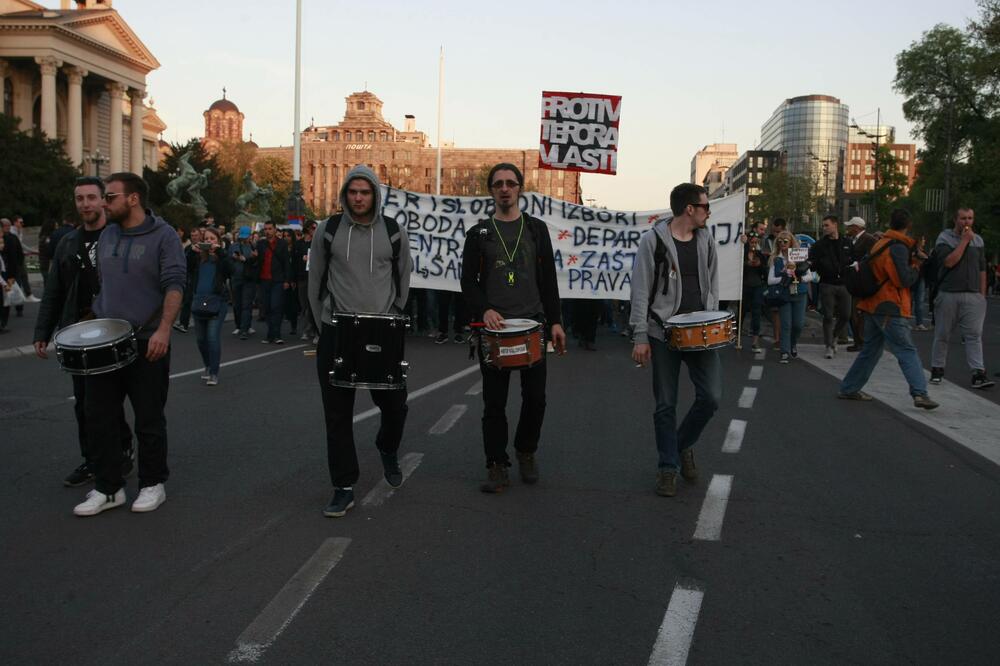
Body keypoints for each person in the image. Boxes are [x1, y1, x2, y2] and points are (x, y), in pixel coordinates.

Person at [72, 172, 186, 517]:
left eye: (110, 197)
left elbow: (174, 284)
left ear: (133, 199)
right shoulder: (108, 234)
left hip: (147, 340)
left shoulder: (164, 236)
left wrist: (163, 330)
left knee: (148, 417)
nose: (104, 204)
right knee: (99, 416)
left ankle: (153, 483)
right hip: (105, 341)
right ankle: (108, 488)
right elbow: (105, 284)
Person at [309, 165, 413, 518]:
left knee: (395, 406)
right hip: (338, 330)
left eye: (364, 192)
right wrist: (325, 327)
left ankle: (387, 447)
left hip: (381, 331)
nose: (358, 198)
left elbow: (403, 278)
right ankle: (343, 487)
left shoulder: (394, 232)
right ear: (345, 194)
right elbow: (315, 281)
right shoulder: (328, 230)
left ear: (374, 195)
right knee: (337, 414)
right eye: (352, 192)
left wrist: (393, 318)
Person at [461, 163, 566, 493]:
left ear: (520, 188)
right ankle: (496, 463)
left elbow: (548, 279)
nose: (505, 189)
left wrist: (556, 321)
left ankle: (526, 450)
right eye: (498, 184)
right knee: (494, 403)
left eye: (510, 183)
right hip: (495, 331)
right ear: (491, 190)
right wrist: (485, 309)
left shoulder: (536, 229)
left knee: (536, 399)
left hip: (532, 326)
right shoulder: (479, 233)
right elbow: (468, 282)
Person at [33, 176, 135, 486]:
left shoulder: (120, 236)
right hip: (78, 335)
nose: (85, 204)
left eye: (91, 197)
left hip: (115, 330)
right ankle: (91, 460)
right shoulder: (67, 242)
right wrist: (42, 332)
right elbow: (54, 290)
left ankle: (121, 449)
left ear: (103, 200)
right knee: (84, 403)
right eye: (80, 199)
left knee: (109, 400)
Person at [630, 183, 721, 498]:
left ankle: (681, 446)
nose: (709, 212)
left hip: (701, 332)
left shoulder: (706, 239)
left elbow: (713, 284)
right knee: (665, 404)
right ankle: (667, 467)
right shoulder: (653, 241)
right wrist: (640, 335)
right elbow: (640, 289)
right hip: (663, 333)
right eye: (705, 206)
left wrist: (713, 317)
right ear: (689, 209)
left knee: (711, 397)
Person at [838, 209, 939, 409]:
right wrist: (916, 265)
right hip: (890, 305)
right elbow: (902, 280)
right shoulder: (898, 247)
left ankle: (849, 388)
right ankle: (920, 393)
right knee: (906, 349)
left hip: (873, 303)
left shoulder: (881, 243)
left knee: (871, 350)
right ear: (908, 225)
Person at [929, 207, 994, 389]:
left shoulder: (978, 240)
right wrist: (964, 241)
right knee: (943, 333)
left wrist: (982, 295)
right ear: (955, 220)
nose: (967, 222)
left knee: (974, 335)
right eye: (963, 218)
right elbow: (949, 262)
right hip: (949, 293)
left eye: (970, 218)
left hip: (973, 295)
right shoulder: (944, 238)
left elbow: (982, 268)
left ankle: (978, 373)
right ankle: (937, 369)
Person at [768, 231, 817, 363]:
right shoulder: (776, 259)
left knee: (798, 325)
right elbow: (770, 280)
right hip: (784, 295)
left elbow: (810, 276)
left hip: (800, 293)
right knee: (786, 324)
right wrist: (786, 276)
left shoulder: (799, 256)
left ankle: (792, 343)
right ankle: (784, 351)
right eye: (780, 241)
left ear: (791, 242)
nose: (782, 243)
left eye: (785, 241)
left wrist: (800, 278)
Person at [809, 215, 853, 358]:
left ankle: (834, 336)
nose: (824, 228)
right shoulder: (819, 245)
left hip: (845, 284)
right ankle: (829, 345)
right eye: (823, 225)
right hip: (827, 283)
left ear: (835, 225)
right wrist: (814, 264)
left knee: (846, 315)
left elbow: (853, 259)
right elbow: (812, 263)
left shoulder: (847, 242)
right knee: (828, 316)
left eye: (827, 225)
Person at [191, 227, 230, 386]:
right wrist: (192, 251)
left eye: (212, 239)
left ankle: (214, 372)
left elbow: (231, 270)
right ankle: (207, 366)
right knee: (201, 340)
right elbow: (185, 266)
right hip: (199, 300)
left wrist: (219, 252)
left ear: (218, 241)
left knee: (212, 338)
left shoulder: (222, 259)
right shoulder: (198, 258)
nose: (209, 242)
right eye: (206, 239)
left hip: (217, 302)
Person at [844, 217, 876, 351]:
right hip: (854, 280)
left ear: (856, 227)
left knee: (858, 313)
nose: (848, 228)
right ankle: (858, 341)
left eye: (850, 226)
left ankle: (861, 342)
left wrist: (858, 264)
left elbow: (872, 258)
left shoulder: (869, 240)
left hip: (863, 282)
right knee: (854, 314)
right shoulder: (853, 240)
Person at [257, 220, 291, 344]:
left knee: (276, 306)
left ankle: (276, 334)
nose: (267, 231)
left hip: (278, 280)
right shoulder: (261, 244)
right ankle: (270, 333)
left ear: (275, 230)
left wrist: (287, 280)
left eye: (270, 229)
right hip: (264, 280)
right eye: (265, 229)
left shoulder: (282, 244)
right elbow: (258, 261)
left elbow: (286, 263)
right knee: (266, 308)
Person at [228, 226, 258, 339]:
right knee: (237, 304)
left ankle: (245, 328)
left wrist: (248, 258)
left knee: (246, 304)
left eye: (246, 237)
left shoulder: (253, 246)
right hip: (236, 278)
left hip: (249, 279)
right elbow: (227, 262)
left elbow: (257, 263)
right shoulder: (233, 246)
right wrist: (233, 258)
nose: (244, 239)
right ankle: (239, 325)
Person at [741, 231, 767, 352]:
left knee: (756, 313)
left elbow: (765, 273)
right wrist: (746, 263)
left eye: (756, 243)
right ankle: (737, 338)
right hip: (744, 286)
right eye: (752, 242)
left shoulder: (760, 255)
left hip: (757, 286)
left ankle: (755, 341)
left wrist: (760, 265)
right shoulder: (742, 253)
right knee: (742, 311)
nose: (754, 244)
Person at [173, 226, 201, 334]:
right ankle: (183, 323)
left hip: (199, 277)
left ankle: (198, 323)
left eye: (196, 235)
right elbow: (184, 261)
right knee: (187, 301)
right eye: (192, 235)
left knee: (197, 301)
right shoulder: (189, 248)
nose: (194, 237)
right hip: (189, 277)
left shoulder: (204, 248)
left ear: (200, 236)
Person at [294, 221, 318, 342]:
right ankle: (308, 329)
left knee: (313, 305)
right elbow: (294, 261)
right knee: (304, 305)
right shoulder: (299, 244)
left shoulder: (317, 242)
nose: (315, 230)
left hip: (315, 277)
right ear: (308, 229)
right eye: (313, 228)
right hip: (302, 277)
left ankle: (311, 329)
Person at [0, 218, 27, 317]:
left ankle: (19, 308)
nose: (7, 227)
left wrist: (18, 265)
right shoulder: (4, 238)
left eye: (8, 225)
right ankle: (5, 310)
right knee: (6, 290)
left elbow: (20, 253)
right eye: (5, 226)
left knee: (16, 288)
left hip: (13, 268)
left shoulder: (13, 237)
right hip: (4, 269)